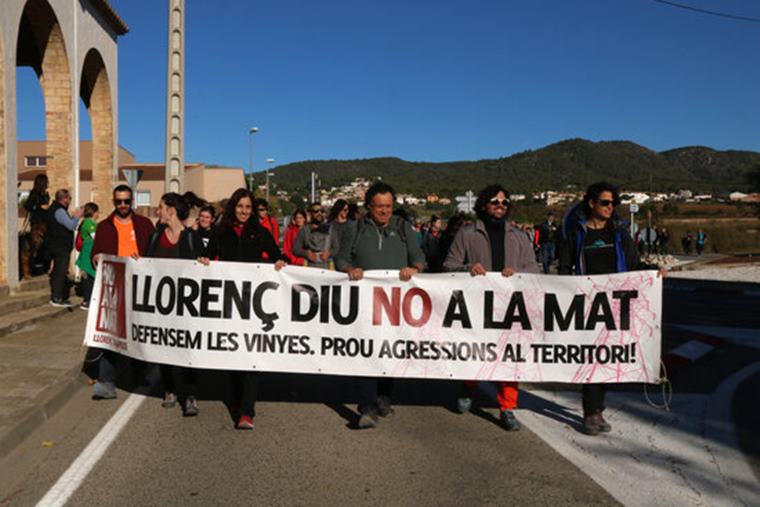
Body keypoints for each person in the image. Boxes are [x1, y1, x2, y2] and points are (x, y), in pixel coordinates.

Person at [558, 181, 666, 436]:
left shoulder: (618, 232)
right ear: (592, 203)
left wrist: (653, 272)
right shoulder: (576, 233)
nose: (610, 207)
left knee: (607, 359)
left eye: (613, 203)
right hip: (585, 305)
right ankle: (591, 412)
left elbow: (633, 264)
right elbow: (564, 268)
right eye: (605, 202)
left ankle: (597, 409)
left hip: (615, 305)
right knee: (591, 357)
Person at [444, 184, 540, 431]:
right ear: (484, 205)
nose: (500, 206)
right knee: (475, 352)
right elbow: (448, 266)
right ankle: (468, 385)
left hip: (510, 308)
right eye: (495, 202)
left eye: (505, 202)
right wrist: (468, 268)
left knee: (510, 358)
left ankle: (508, 407)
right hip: (476, 307)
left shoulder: (519, 236)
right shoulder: (467, 233)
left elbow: (535, 269)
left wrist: (517, 273)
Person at [336, 182, 425, 429]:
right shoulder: (356, 229)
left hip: (396, 304)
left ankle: (384, 397)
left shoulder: (402, 227)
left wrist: (415, 268)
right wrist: (349, 269)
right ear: (369, 207)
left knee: (390, 351)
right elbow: (341, 258)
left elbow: (419, 257)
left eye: (388, 206)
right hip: (365, 302)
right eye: (379, 207)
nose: (384, 211)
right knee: (367, 352)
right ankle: (367, 407)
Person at [200, 188, 286, 429]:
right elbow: (206, 255)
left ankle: (247, 411)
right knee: (232, 359)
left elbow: (277, 256)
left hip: (252, 305)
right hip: (228, 303)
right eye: (240, 207)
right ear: (233, 208)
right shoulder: (220, 231)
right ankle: (238, 400)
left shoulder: (260, 232)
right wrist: (204, 260)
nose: (244, 212)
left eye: (248, 208)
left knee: (250, 358)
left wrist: (279, 261)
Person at [90, 185, 155, 400]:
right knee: (111, 336)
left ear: (132, 201)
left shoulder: (145, 225)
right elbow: (94, 253)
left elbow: (155, 254)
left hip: (139, 287)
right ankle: (106, 382)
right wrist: (98, 258)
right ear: (113, 201)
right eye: (119, 202)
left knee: (138, 331)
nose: (123, 205)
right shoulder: (104, 227)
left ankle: (139, 372)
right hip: (114, 287)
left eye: (127, 201)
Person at [145, 192, 203, 416]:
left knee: (188, 350)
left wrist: (203, 262)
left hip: (186, 307)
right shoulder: (155, 235)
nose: (157, 211)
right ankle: (169, 389)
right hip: (161, 306)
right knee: (164, 349)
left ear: (171, 211)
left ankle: (190, 394)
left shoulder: (191, 238)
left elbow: (201, 268)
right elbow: (146, 262)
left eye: (160, 207)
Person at [45, 189, 83, 307]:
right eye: (69, 198)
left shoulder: (57, 209)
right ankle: (57, 298)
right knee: (60, 271)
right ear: (64, 199)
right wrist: (77, 216)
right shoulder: (59, 211)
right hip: (60, 246)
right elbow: (71, 225)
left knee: (60, 270)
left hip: (58, 245)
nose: (70, 201)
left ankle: (59, 296)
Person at [21, 174, 51, 279]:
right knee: (34, 248)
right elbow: (27, 206)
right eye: (46, 182)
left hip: (46, 222)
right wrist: (39, 206)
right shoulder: (34, 194)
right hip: (37, 224)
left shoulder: (46, 194)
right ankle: (30, 270)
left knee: (45, 246)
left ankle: (42, 267)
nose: (48, 183)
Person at [294, 202, 339, 269]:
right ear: (310, 214)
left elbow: (336, 248)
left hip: (327, 267)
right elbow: (295, 250)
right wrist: (306, 253)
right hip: (310, 267)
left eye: (322, 211)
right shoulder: (304, 230)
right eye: (316, 211)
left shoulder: (330, 229)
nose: (319, 213)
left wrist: (329, 253)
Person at [75, 202, 99, 310]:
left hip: (89, 252)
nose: (98, 214)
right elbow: (96, 237)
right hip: (88, 252)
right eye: (97, 211)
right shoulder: (89, 223)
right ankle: (87, 300)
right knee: (90, 278)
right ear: (94, 212)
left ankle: (89, 299)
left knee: (91, 277)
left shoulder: (88, 222)